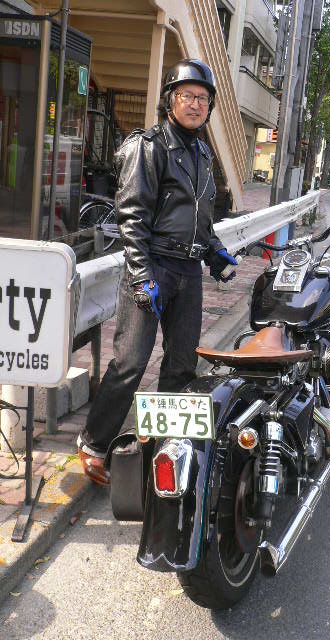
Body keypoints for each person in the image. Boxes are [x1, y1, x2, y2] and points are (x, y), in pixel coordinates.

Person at [77, 59, 237, 485]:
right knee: (131, 363)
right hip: (152, 268)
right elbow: (131, 217)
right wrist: (141, 275)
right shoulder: (148, 147)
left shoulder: (203, 153)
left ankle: (164, 447)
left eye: (203, 98)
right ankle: (93, 443)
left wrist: (215, 252)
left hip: (188, 272)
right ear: (170, 100)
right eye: (187, 95)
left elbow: (201, 219)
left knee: (182, 365)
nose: (196, 104)